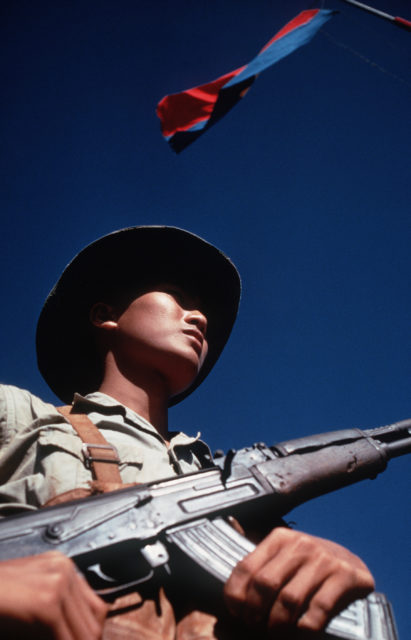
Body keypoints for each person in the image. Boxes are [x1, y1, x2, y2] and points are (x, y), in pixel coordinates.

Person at [0, 226, 374, 639]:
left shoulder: (227, 483)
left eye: (200, 308)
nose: (199, 317)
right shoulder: (23, 416)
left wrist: (330, 575)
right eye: (176, 296)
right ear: (105, 316)